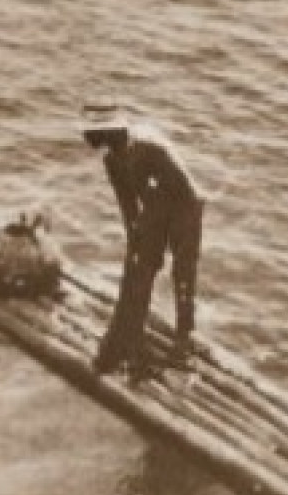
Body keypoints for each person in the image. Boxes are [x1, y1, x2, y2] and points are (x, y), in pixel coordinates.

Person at [81, 99, 204, 375]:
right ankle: (130, 342)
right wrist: (134, 240)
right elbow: (127, 204)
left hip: (184, 205)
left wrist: (148, 238)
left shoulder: (150, 149)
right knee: (138, 270)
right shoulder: (112, 160)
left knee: (183, 275)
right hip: (155, 207)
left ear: (109, 132)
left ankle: (183, 342)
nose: (86, 137)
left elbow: (180, 191)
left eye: (92, 132)